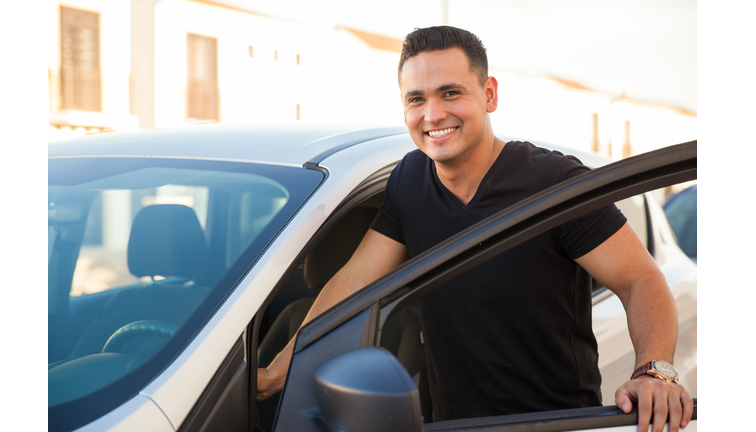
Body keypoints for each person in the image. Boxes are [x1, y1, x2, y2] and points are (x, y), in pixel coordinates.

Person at [258, 26, 693, 432]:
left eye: (451, 93)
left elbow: (640, 279)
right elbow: (354, 280)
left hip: (554, 423)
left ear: (489, 94)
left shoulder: (554, 183)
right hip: (451, 424)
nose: (433, 114)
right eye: (416, 99)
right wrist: (281, 366)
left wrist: (654, 371)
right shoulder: (409, 181)